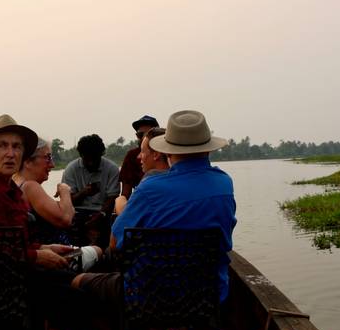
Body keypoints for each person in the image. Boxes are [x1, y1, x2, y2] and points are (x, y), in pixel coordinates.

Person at [74, 110, 237, 306]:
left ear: (169, 150)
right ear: (208, 148)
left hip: (151, 294)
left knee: (77, 282)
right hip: (208, 293)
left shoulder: (151, 188)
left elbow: (115, 244)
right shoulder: (224, 184)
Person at [0, 114, 86, 330]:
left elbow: (14, 241)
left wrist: (45, 247)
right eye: (2, 146)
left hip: (12, 274)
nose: (11, 153)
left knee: (70, 282)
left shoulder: (7, 186)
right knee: (74, 300)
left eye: (16, 147)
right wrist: (37, 256)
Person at [13, 137, 102, 270]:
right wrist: (64, 190)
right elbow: (66, 218)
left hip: (45, 250)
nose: (52, 164)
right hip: (55, 257)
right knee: (98, 250)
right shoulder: (30, 186)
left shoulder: (16, 182)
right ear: (27, 161)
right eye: (48, 158)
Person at [62, 134, 120, 245]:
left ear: (101, 155)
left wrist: (101, 214)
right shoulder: (71, 169)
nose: (91, 163)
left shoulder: (111, 168)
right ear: (81, 155)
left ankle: (102, 253)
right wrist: (84, 193)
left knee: (108, 226)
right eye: (87, 159)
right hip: (77, 212)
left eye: (95, 159)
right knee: (72, 226)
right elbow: (68, 201)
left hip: (102, 211)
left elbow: (112, 198)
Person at [114, 127, 169, 215]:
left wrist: (120, 201)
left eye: (142, 151)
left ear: (156, 155)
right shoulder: (183, 179)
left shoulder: (150, 184)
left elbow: (126, 219)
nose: (138, 156)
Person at [119, 115, 159, 199]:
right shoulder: (132, 155)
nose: (143, 138)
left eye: (147, 134)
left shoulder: (167, 154)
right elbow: (126, 190)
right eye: (140, 135)